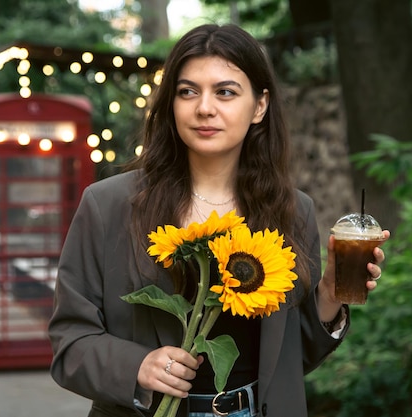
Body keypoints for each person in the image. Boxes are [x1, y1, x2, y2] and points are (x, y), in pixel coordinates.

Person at [48, 23, 389, 417]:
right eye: (187, 92)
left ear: (260, 106)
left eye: (225, 92)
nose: (204, 107)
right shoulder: (108, 206)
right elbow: (69, 341)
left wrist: (329, 294)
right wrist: (136, 367)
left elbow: (287, 363)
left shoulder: (293, 211)